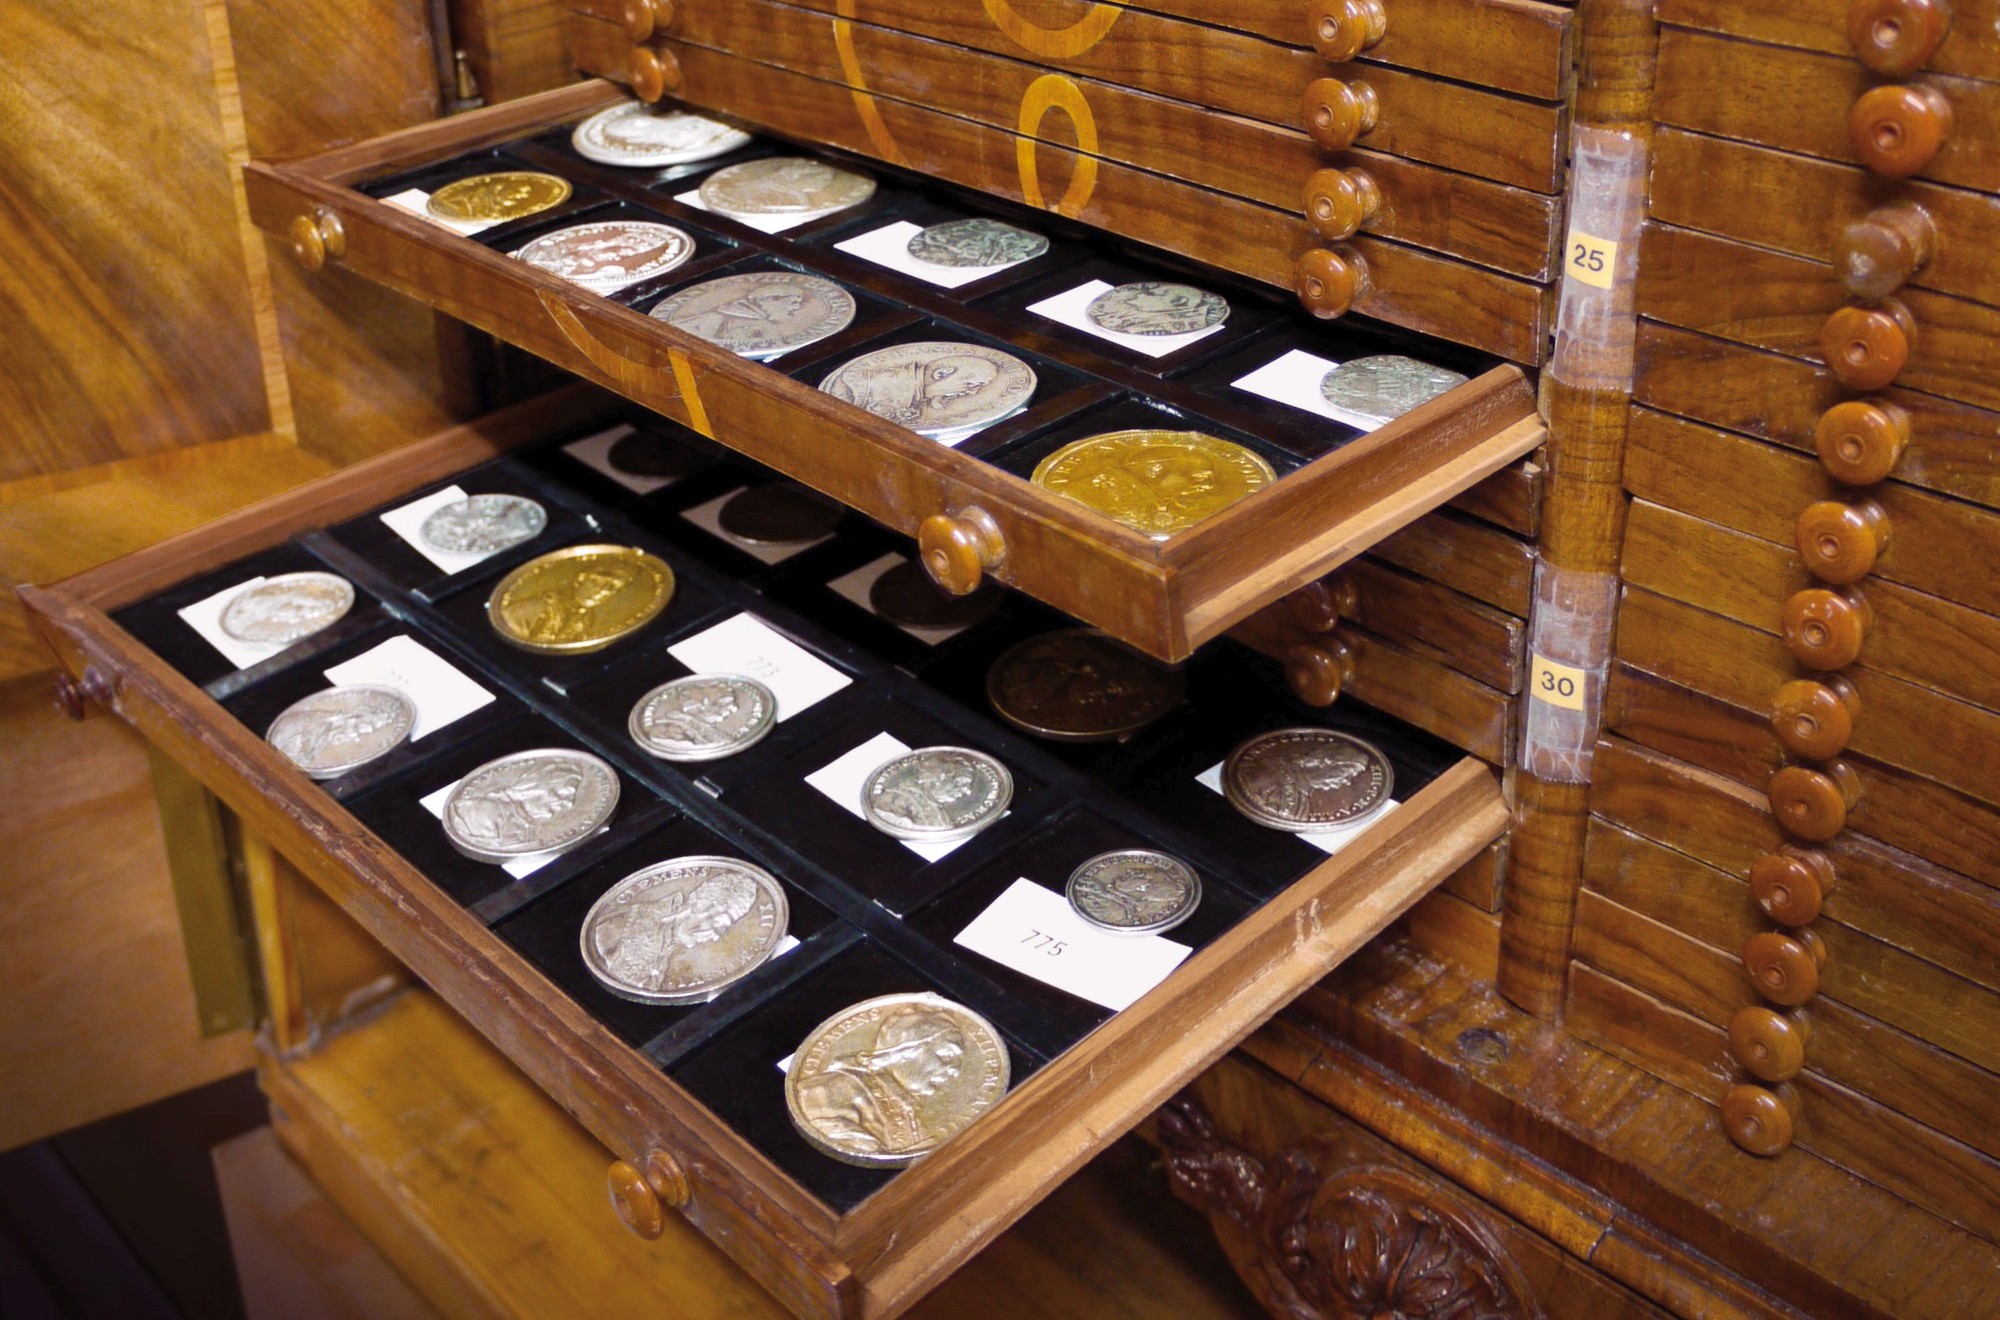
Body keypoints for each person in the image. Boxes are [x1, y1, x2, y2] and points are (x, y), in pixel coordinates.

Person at [796, 1005, 969, 1157]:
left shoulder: (906, 1109)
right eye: (947, 1054)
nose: (955, 1070)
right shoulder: (826, 1091)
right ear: (903, 1049)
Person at [592, 872, 760, 993]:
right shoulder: (619, 922)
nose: (716, 935)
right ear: (701, 905)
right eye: (719, 922)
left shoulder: (673, 949)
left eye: (723, 928)